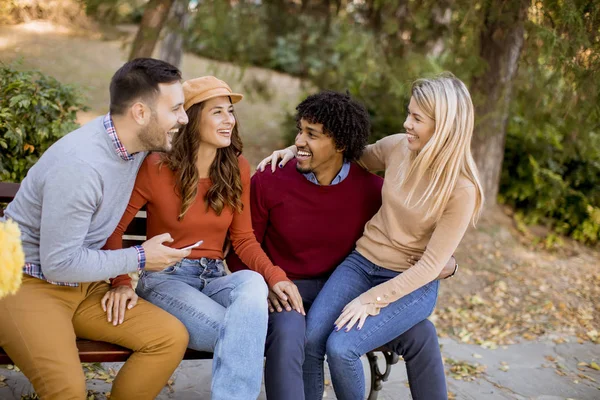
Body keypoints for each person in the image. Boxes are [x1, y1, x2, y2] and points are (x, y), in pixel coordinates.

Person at [258, 73, 484, 399]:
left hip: (412, 281)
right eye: (409, 113)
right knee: (310, 340)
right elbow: (342, 150)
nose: (406, 123)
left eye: (417, 118)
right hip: (362, 264)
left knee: (342, 348)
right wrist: (298, 150)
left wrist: (370, 301)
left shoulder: (461, 190)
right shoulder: (398, 148)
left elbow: (431, 267)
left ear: (444, 125)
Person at [0, 58, 193, 400]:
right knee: (68, 392)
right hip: (25, 281)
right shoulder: (81, 166)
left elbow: (209, 140)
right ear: (140, 112)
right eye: (176, 108)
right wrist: (138, 258)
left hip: (83, 285)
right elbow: (59, 263)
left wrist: (297, 152)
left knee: (168, 337)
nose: (184, 118)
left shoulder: (135, 146)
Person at [104, 76, 295, 400]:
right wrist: (121, 280)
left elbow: (244, 239)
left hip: (215, 278)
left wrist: (275, 276)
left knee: (252, 284)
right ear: (191, 118)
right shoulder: (156, 166)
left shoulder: (236, 167)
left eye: (230, 112)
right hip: (166, 279)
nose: (229, 120)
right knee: (241, 331)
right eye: (217, 112)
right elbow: (114, 229)